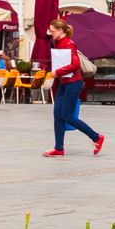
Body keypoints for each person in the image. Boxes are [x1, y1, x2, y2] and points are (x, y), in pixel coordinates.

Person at [44, 18, 104, 158]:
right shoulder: (58, 43)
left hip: (73, 83)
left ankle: (96, 137)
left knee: (67, 116)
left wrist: (56, 72)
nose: (50, 33)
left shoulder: (69, 43)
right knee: (57, 115)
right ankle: (58, 148)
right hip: (64, 83)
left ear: (60, 31)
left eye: (52, 31)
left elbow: (75, 64)